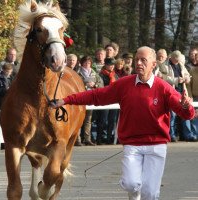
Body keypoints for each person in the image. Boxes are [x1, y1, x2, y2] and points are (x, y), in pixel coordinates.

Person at [51, 46, 195, 200]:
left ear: (154, 64)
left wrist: (187, 107)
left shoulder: (164, 88)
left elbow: (186, 114)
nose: (138, 63)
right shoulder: (124, 84)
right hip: (132, 145)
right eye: (137, 59)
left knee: (150, 194)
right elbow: (96, 96)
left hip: (156, 146)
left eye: (143, 60)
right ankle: (134, 195)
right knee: (130, 184)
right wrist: (66, 100)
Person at [78, 55, 103, 146]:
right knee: (79, 119)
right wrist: (85, 86)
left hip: (91, 98)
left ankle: (87, 139)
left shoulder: (94, 73)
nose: (87, 64)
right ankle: (77, 139)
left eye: (89, 63)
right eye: (85, 63)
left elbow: (101, 85)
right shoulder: (77, 73)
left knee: (88, 119)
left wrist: (94, 85)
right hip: (80, 99)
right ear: (81, 63)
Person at [98, 57, 117, 144]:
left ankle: (110, 138)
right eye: (110, 65)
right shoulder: (101, 74)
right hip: (105, 99)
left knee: (112, 120)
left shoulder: (115, 75)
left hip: (114, 100)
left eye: (113, 65)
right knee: (103, 120)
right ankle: (100, 138)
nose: (112, 67)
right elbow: (100, 86)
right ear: (105, 65)